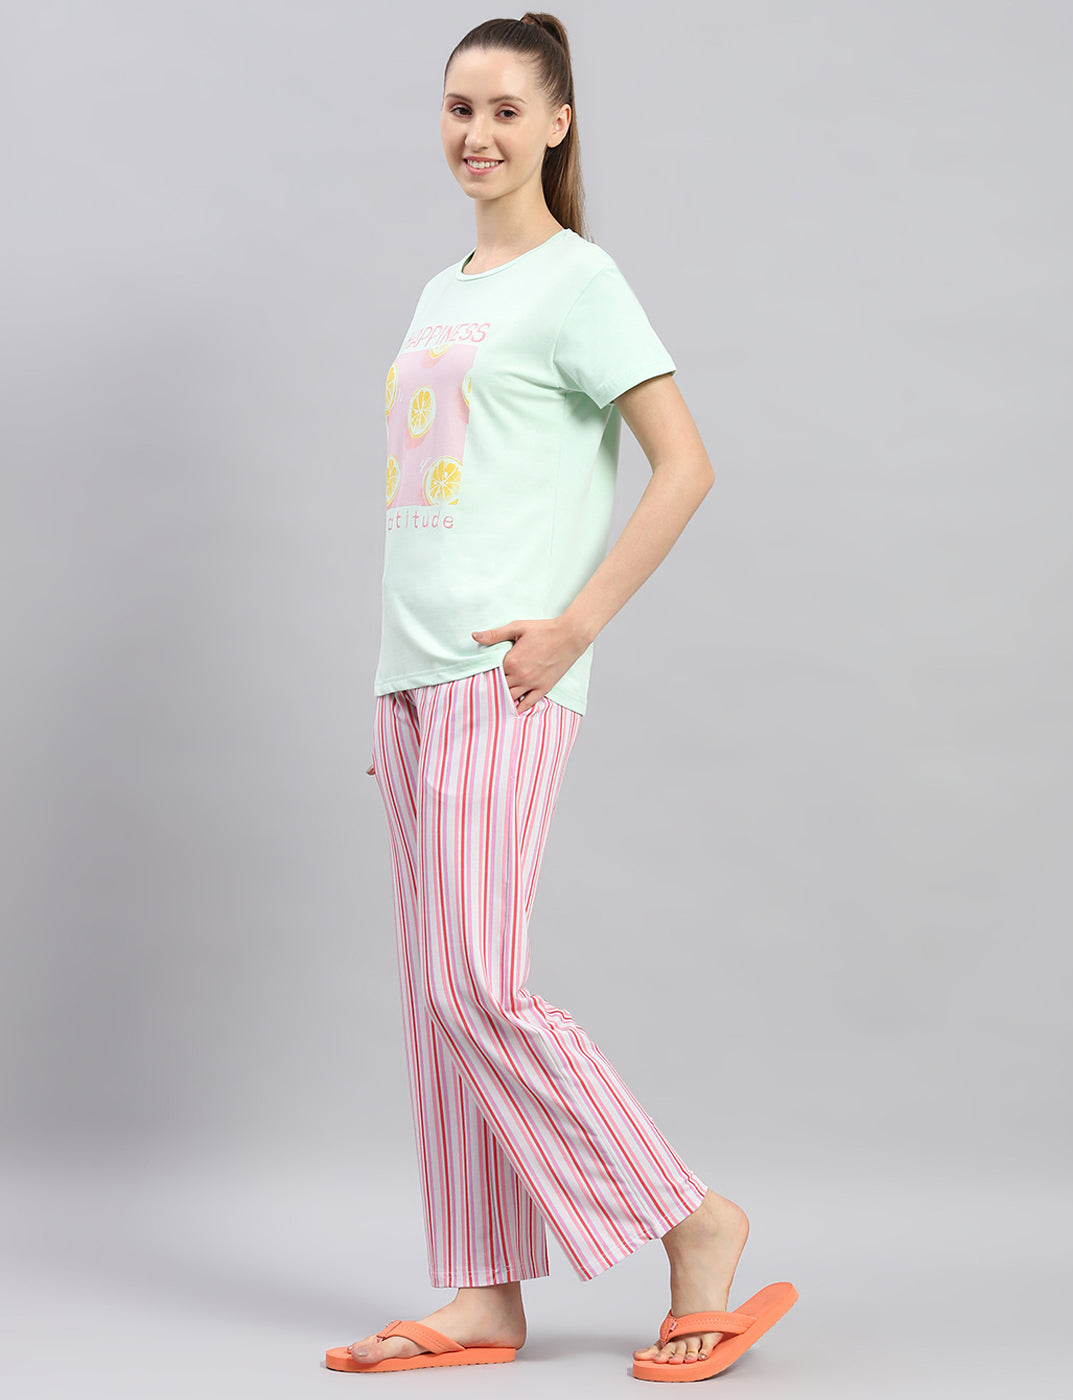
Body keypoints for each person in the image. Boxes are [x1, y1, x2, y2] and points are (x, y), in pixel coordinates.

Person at [325, 12, 796, 1383]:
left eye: (504, 111)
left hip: (505, 675)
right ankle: (483, 1292)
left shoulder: (581, 281)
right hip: (412, 680)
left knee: (481, 982)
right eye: (458, 108)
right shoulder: (444, 289)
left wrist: (573, 626)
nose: (476, 135)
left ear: (556, 124)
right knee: (436, 1002)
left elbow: (685, 464)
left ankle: (693, 1222)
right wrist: (392, 685)